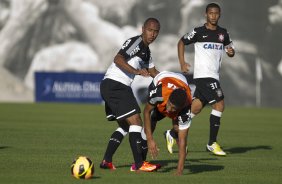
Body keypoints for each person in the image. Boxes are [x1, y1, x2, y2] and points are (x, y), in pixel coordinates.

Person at [165, 3, 235, 156]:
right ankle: (212, 143)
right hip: (203, 76)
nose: (213, 16)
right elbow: (181, 42)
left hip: (214, 75)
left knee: (195, 109)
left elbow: (230, 49)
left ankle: (173, 133)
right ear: (206, 14)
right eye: (211, 13)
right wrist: (182, 62)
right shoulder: (198, 32)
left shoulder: (223, 33)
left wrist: (230, 51)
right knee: (219, 104)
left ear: (220, 14)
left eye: (216, 13)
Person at [99, 17, 160, 172]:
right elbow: (118, 58)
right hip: (116, 85)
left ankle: (106, 161)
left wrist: (169, 80)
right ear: (142, 29)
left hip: (112, 86)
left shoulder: (146, 52)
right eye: (149, 30)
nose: (152, 34)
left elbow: (153, 72)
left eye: (155, 31)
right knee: (136, 122)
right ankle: (139, 164)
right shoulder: (136, 43)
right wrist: (136, 71)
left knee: (125, 126)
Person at [141, 71, 192, 176]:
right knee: (152, 120)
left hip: (182, 82)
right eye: (170, 105)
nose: (169, 110)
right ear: (168, 99)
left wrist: (179, 171)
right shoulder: (159, 93)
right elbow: (146, 111)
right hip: (161, 79)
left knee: (179, 131)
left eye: (174, 109)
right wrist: (150, 139)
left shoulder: (186, 108)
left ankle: (172, 133)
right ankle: (141, 162)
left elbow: (183, 141)